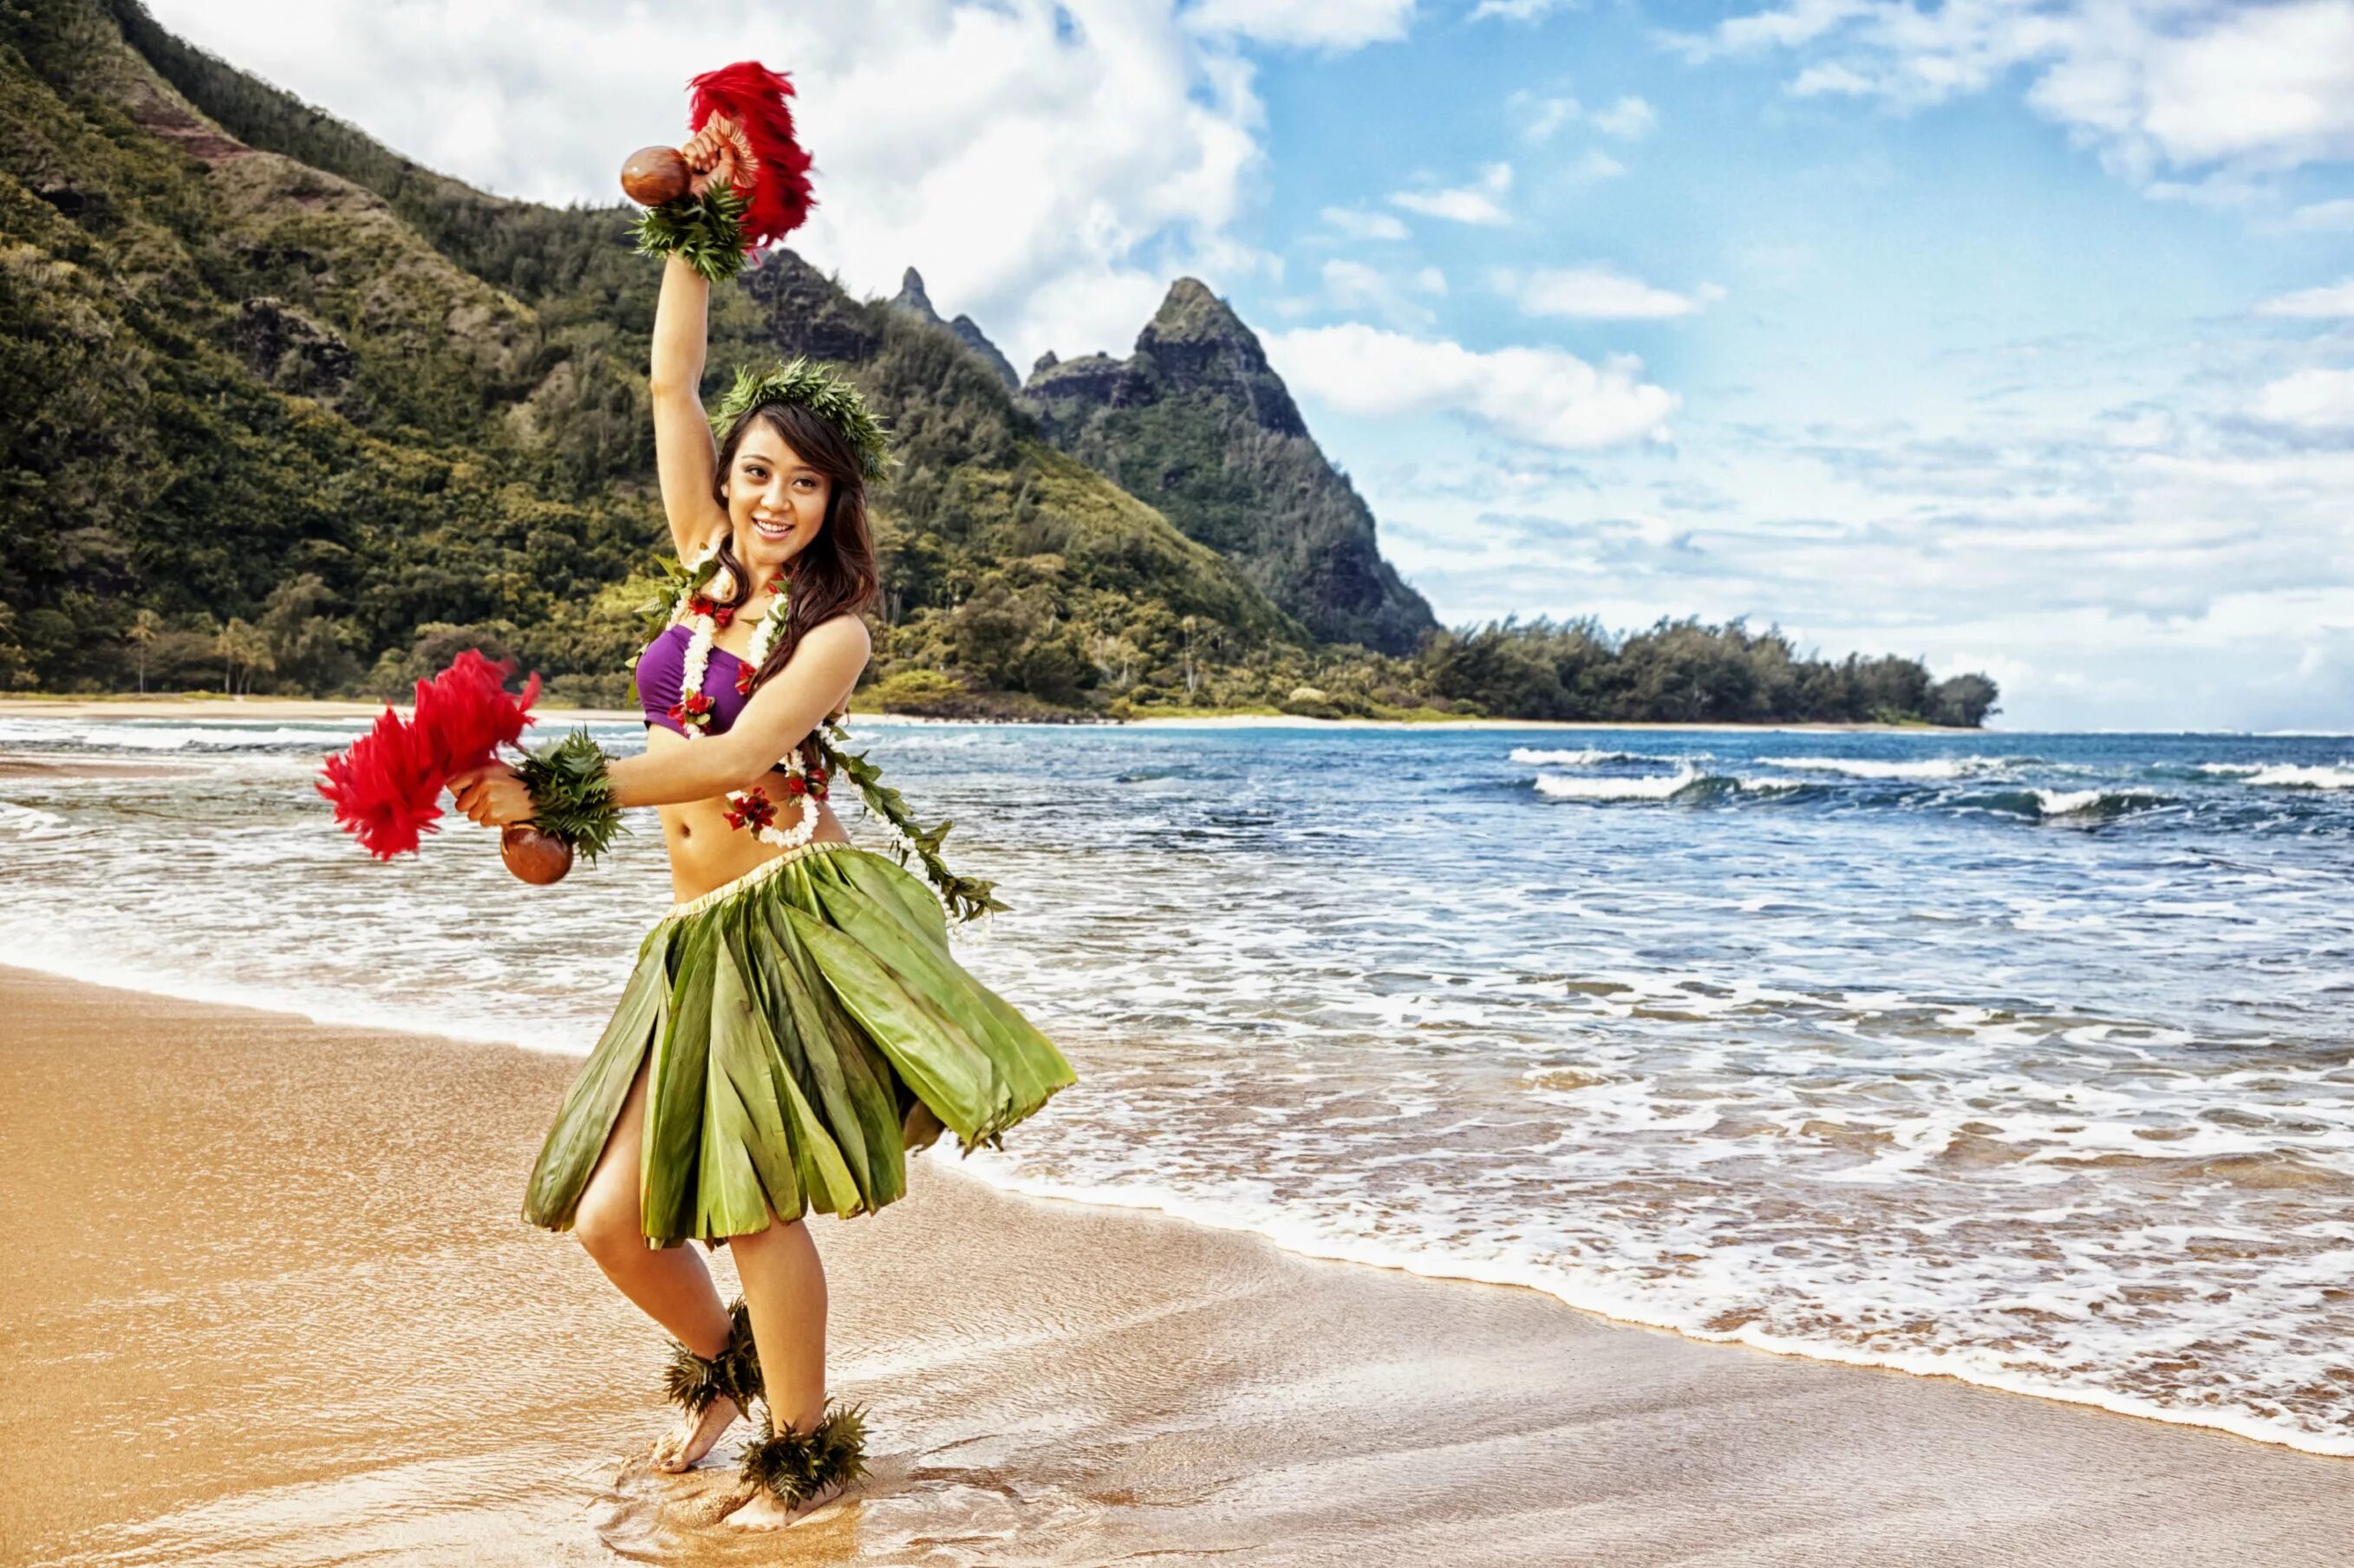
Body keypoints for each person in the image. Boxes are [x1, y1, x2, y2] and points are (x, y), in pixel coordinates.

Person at [447, 121, 1075, 1529]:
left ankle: (802, 1456)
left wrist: (557, 789)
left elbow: (731, 750)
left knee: (747, 1205)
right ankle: (725, 1368)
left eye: (803, 481)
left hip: (782, 922)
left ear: (833, 502)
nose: (771, 497)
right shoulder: (697, 566)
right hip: (686, 934)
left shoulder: (833, 631)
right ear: (728, 483)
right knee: (614, 1219)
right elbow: (672, 378)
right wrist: (695, 237)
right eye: (755, 473)